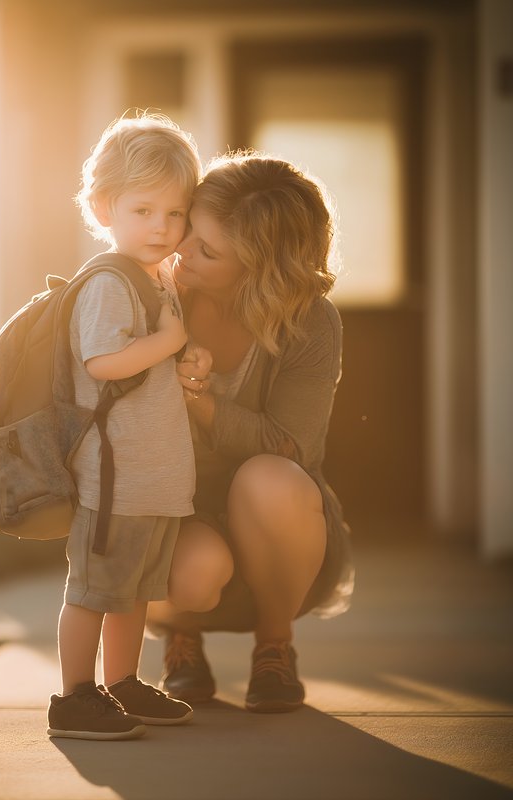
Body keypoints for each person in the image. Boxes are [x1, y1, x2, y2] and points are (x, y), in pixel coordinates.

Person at [147, 152, 355, 714]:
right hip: (181, 514)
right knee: (188, 574)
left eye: (208, 251)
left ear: (259, 270)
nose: (181, 249)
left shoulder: (310, 320)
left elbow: (293, 447)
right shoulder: (155, 290)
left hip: (280, 534)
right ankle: (179, 637)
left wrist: (205, 402)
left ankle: (275, 647)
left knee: (272, 478)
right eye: (189, 229)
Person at [47, 113, 202, 741]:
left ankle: (122, 682)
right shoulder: (110, 281)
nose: (162, 227)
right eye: (144, 210)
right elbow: (103, 361)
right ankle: (74, 697)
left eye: (175, 213)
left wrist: (182, 352)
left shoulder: (153, 280)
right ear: (104, 206)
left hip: (152, 481)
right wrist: (171, 340)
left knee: (133, 592)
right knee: (92, 591)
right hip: (114, 484)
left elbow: (153, 362)